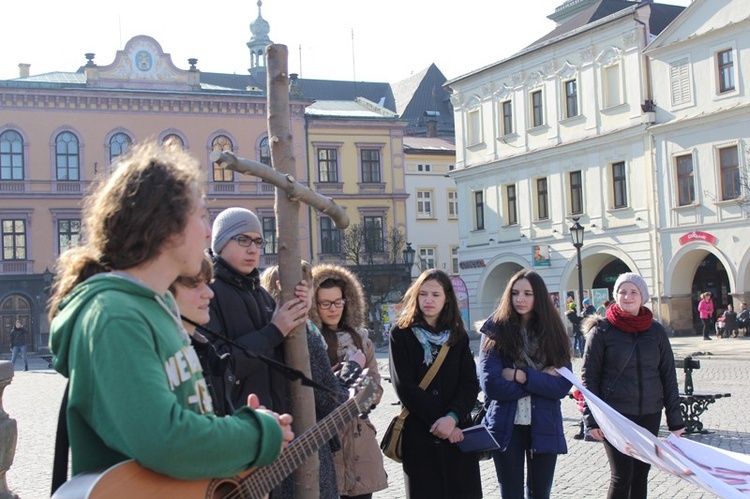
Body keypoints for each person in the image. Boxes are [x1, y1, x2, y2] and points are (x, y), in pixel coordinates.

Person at [48, 141, 293, 481]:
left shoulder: (153, 306)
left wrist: (233, 438)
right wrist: (256, 433)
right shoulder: (115, 313)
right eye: (202, 215)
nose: (208, 232)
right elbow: (165, 440)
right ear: (165, 226)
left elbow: (183, 420)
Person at [260, 262, 363, 499]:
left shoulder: (267, 330)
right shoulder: (304, 334)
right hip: (308, 450)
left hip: (274, 450)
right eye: (308, 287)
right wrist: (353, 370)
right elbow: (332, 402)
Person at [581, 272, 685, 499]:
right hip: (615, 415)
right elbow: (589, 378)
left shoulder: (656, 331)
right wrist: (592, 419)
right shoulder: (602, 330)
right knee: (622, 475)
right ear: (615, 296)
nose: (627, 297)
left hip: (649, 412)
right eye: (622, 292)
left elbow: (667, 375)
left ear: (642, 297)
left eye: (633, 292)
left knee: (641, 473)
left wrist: (675, 419)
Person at [479, 269, 572, 499]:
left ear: (538, 296)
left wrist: (522, 376)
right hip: (506, 424)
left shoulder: (553, 332)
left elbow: (561, 386)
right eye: (515, 293)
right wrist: (541, 379)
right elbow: (492, 385)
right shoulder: (495, 330)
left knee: (540, 493)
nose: (520, 299)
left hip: (544, 422)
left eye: (528, 293)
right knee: (511, 493)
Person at [206, 207, 310, 413]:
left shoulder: (260, 293)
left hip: (271, 425)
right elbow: (219, 366)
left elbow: (286, 358)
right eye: (243, 239)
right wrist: (275, 331)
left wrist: (299, 313)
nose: (253, 249)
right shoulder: (206, 293)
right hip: (235, 428)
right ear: (220, 243)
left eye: (258, 241)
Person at [389, 269, 482, 499]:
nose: (428, 300)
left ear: (447, 298)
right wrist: (438, 422)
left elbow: (470, 383)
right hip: (420, 435)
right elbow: (404, 387)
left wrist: (452, 418)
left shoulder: (458, 336)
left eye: (435, 294)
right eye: (423, 294)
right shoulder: (400, 334)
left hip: (458, 434)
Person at [309, 263, 387, 499]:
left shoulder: (361, 339)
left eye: (338, 302)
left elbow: (376, 389)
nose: (334, 309)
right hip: (328, 446)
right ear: (314, 305)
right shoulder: (310, 342)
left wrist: (358, 393)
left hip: (360, 443)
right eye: (325, 303)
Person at [169, 256, 233, 416]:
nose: (209, 293)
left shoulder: (204, 349)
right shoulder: (164, 354)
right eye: (195, 285)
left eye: (207, 283)